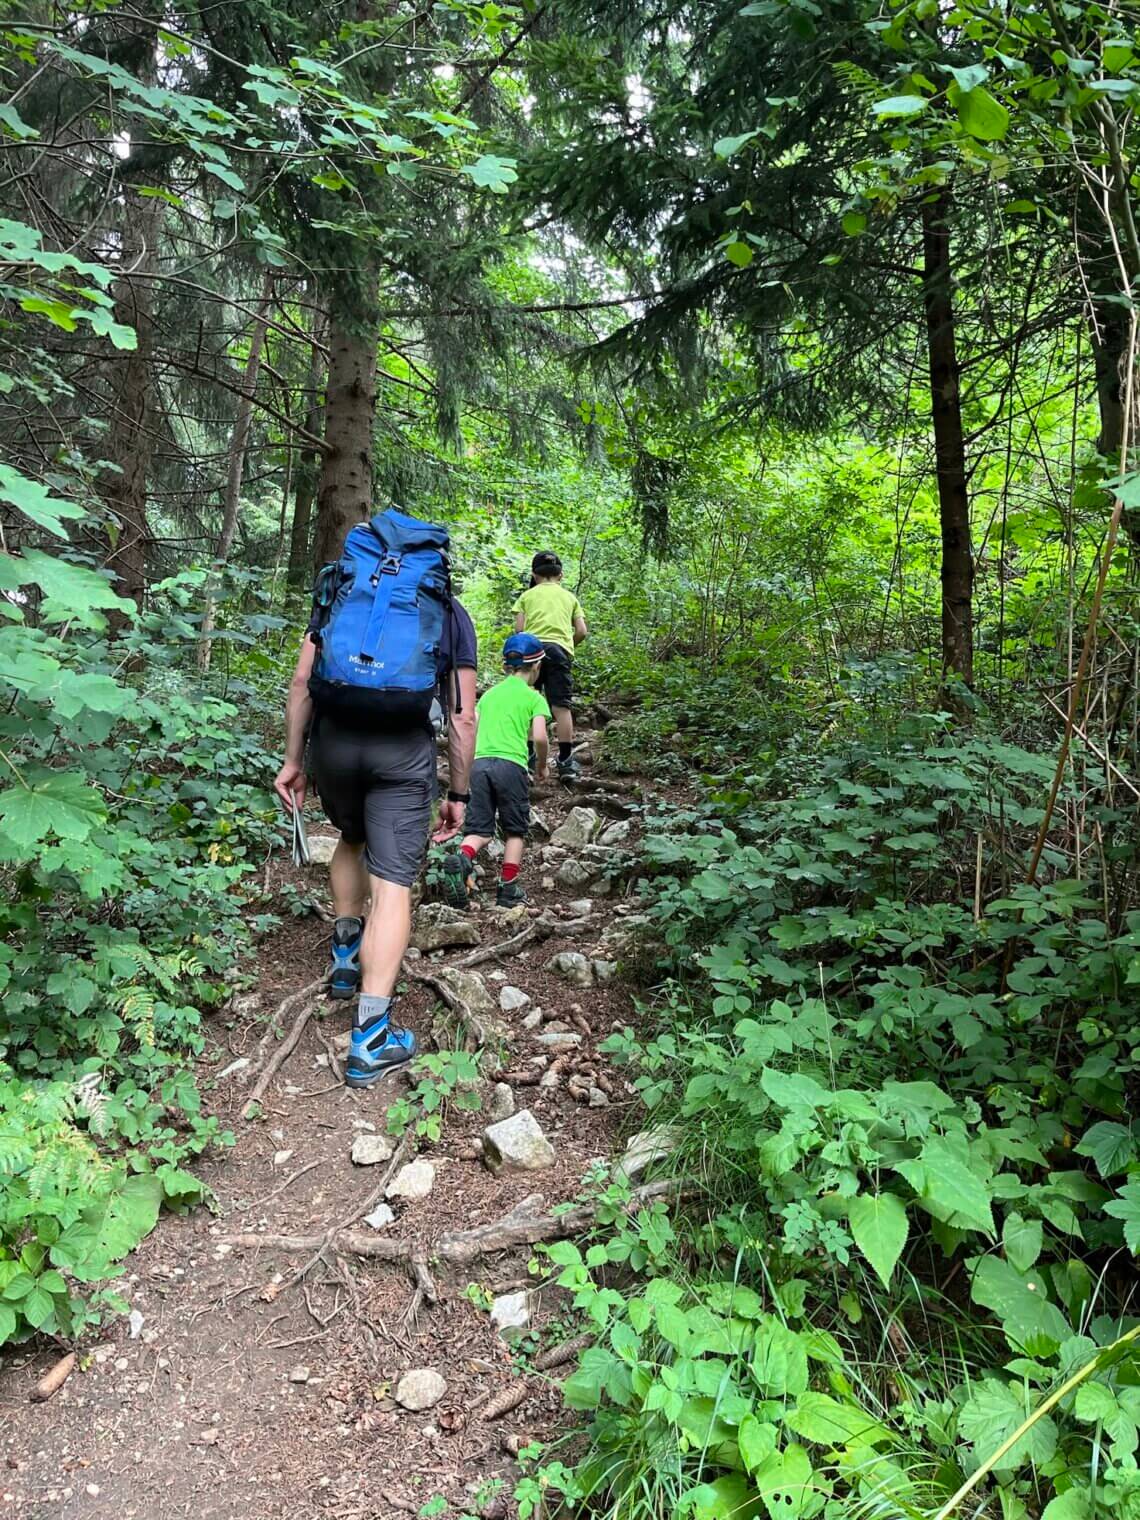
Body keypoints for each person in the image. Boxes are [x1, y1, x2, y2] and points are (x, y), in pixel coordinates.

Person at [273, 585, 477, 1088]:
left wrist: (294, 759)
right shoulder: (445, 607)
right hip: (401, 754)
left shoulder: (344, 591)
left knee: (350, 836)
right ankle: (370, 1037)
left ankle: (345, 957)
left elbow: (302, 682)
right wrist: (460, 792)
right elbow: (462, 714)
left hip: (335, 745)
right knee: (391, 886)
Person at [442, 633, 550, 909]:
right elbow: (539, 736)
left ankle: (464, 859)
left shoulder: (489, 696)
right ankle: (507, 888)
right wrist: (541, 765)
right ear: (537, 666)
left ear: (506, 665)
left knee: (480, 829)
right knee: (515, 831)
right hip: (510, 766)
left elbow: (472, 728)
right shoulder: (533, 697)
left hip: (479, 765)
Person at [512, 551, 587, 783]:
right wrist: (566, 646)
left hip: (531, 652)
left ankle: (528, 757)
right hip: (558, 652)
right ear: (561, 575)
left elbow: (519, 630)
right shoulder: (570, 598)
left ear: (534, 575)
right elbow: (582, 631)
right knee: (561, 707)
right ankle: (565, 762)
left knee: (527, 705)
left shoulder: (527, 596)